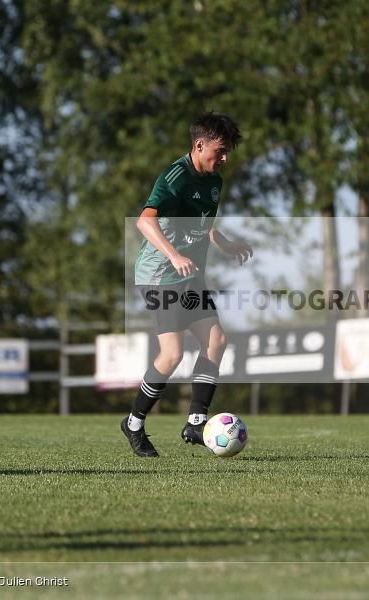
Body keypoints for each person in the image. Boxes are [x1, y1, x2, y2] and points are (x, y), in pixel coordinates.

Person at [121, 112, 252, 458]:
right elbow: (144, 222)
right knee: (173, 354)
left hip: (189, 278)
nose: (224, 159)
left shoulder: (213, 181)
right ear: (199, 145)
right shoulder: (175, 176)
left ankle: (196, 421)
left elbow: (202, 225)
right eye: (220, 151)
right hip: (159, 276)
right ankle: (133, 423)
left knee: (217, 341)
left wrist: (224, 243)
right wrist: (175, 255)